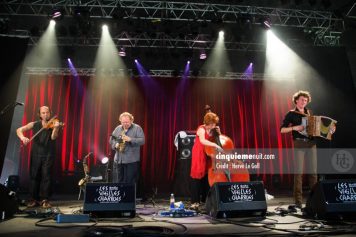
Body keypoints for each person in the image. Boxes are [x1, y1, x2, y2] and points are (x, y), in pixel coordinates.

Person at [280, 90, 335, 208]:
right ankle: (298, 202)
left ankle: (314, 200)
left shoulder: (310, 113)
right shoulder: (291, 114)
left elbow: (319, 129)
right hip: (299, 144)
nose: (303, 102)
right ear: (296, 101)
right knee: (298, 173)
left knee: (313, 173)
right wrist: (295, 128)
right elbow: (282, 130)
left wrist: (329, 130)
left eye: (305, 100)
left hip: (311, 144)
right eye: (301, 100)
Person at [16, 106, 61, 208]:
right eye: (43, 113)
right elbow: (19, 130)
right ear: (40, 114)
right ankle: (33, 199)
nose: (45, 115)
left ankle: (45, 199)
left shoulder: (54, 124)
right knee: (34, 176)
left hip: (48, 154)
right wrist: (23, 138)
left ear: (50, 113)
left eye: (47, 112)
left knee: (46, 177)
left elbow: (53, 137)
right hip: (36, 154)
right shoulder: (34, 124)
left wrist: (56, 128)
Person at [190, 112, 223, 209]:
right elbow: (203, 141)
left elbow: (218, 140)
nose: (214, 125)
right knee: (196, 176)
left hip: (208, 153)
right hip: (199, 152)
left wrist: (219, 133)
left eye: (215, 123)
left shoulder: (213, 129)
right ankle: (194, 201)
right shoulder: (201, 129)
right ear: (207, 122)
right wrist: (215, 145)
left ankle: (205, 199)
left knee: (206, 176)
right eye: (212, 123)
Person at [109, 112, 145, 185]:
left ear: (131, 120)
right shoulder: (118, 128)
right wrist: (115, 144)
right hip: (118, 160)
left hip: (131, 161)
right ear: (120, 121)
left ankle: (129, 196)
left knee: (130, 182)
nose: (125, 124)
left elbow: (142, 141)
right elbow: (111, 139)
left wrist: (130, 139)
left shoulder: (137, 128)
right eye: (123, 122)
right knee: (118, 181)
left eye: (127, 122)